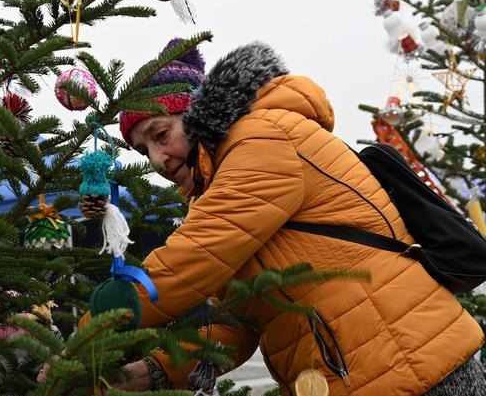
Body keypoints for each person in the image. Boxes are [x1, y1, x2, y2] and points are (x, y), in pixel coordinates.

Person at [75, 39, 486, 396]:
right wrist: (154, 371)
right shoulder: (218, 189)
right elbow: (235, 320)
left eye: (161, 135)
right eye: (143, 149)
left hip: (415, 366)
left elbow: (192, 258)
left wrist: (95, 327)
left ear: (197, 113)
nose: (157, 160)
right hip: (362, 373)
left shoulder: (262, 137)